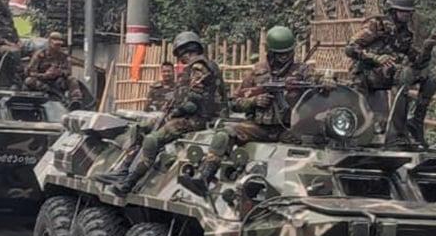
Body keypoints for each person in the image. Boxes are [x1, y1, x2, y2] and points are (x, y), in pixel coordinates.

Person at [179, 26, 311, 196]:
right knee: (224, 134)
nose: (284, 57)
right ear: (270, 52)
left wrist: (328, 84)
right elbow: (235, 102)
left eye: (288, 53)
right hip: (259, 127)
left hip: (289, 129)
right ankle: (204, 176)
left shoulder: (303, 71)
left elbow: (321, 85)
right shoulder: (257, 72)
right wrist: (253, 102)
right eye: (280, 54)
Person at [96, 31, 227, 196]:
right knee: (142, 127)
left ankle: (128, 183)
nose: (181, 60)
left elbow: (194, 102)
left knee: (152, 139)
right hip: (191, 115)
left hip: (199, 119)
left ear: (185, 51)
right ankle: (123, 169)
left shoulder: (199, 67)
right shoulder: (202, 66)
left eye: (180, 55)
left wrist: (177, 111)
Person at [344, 0, 436, 146]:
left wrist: (428, 46)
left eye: (409, 12)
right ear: (392, 10)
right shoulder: (376, 25)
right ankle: (397, 130)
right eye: (402, 11)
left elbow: (418, 63)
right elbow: (350, 48)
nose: (407, 15)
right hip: (364, 74)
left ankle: (415, 123)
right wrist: (375, 58)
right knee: (405, 73)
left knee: (431, 78)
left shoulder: (405, 33)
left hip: (385, 74)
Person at [24, 32, 82, 101]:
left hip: (57, 81)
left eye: (60, 45)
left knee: (72, 80)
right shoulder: (40, 55)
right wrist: (45, 75)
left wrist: (59, 72)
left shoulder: (63, 56)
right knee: (29, 81)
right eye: (56, 45)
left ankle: (76, 100)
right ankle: (51, 94)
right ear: (49, 43)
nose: (58, 47)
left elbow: (68, 72)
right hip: (42, 81)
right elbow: (31, 72)